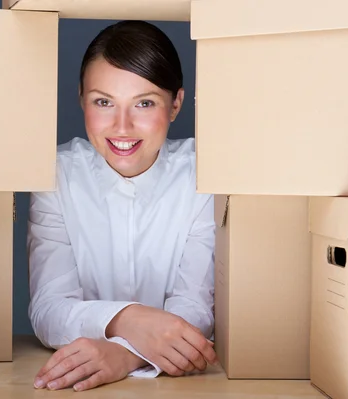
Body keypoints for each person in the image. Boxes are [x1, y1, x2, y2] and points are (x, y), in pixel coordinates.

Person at [27, 20, 217, 392]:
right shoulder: (55, 176)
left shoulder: (205, 174)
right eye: (103, 102)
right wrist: (129, 320)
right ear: (81, 98)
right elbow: (48, 310)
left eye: (144, 103)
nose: (123, 126)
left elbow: (196, 310)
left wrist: (124, 355)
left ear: (176, 104)